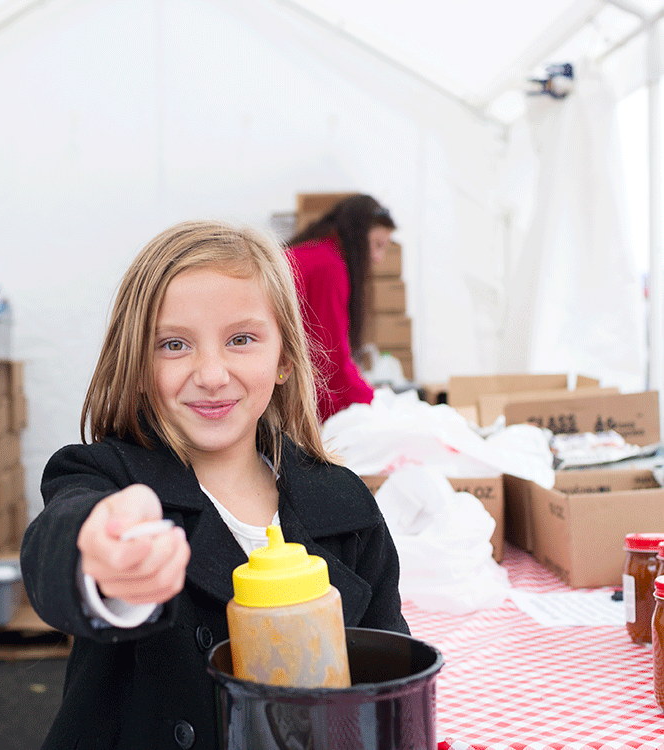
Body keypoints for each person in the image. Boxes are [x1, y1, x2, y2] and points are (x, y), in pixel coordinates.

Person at [20, 220, 408, 750]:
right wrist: (99, 552)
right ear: (137, 363)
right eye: (175, 344)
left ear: (285, 358)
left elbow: (388, 678)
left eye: (241, 340)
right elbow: (55, 546)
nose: (211, 373)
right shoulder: (105, 479)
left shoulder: (346, 504)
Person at [285, 193, 397, 421]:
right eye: (377, 245)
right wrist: (374, 403)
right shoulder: (329, 267)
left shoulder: (314, 253)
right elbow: (330, 358)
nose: (378, 258)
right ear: (358, 235)